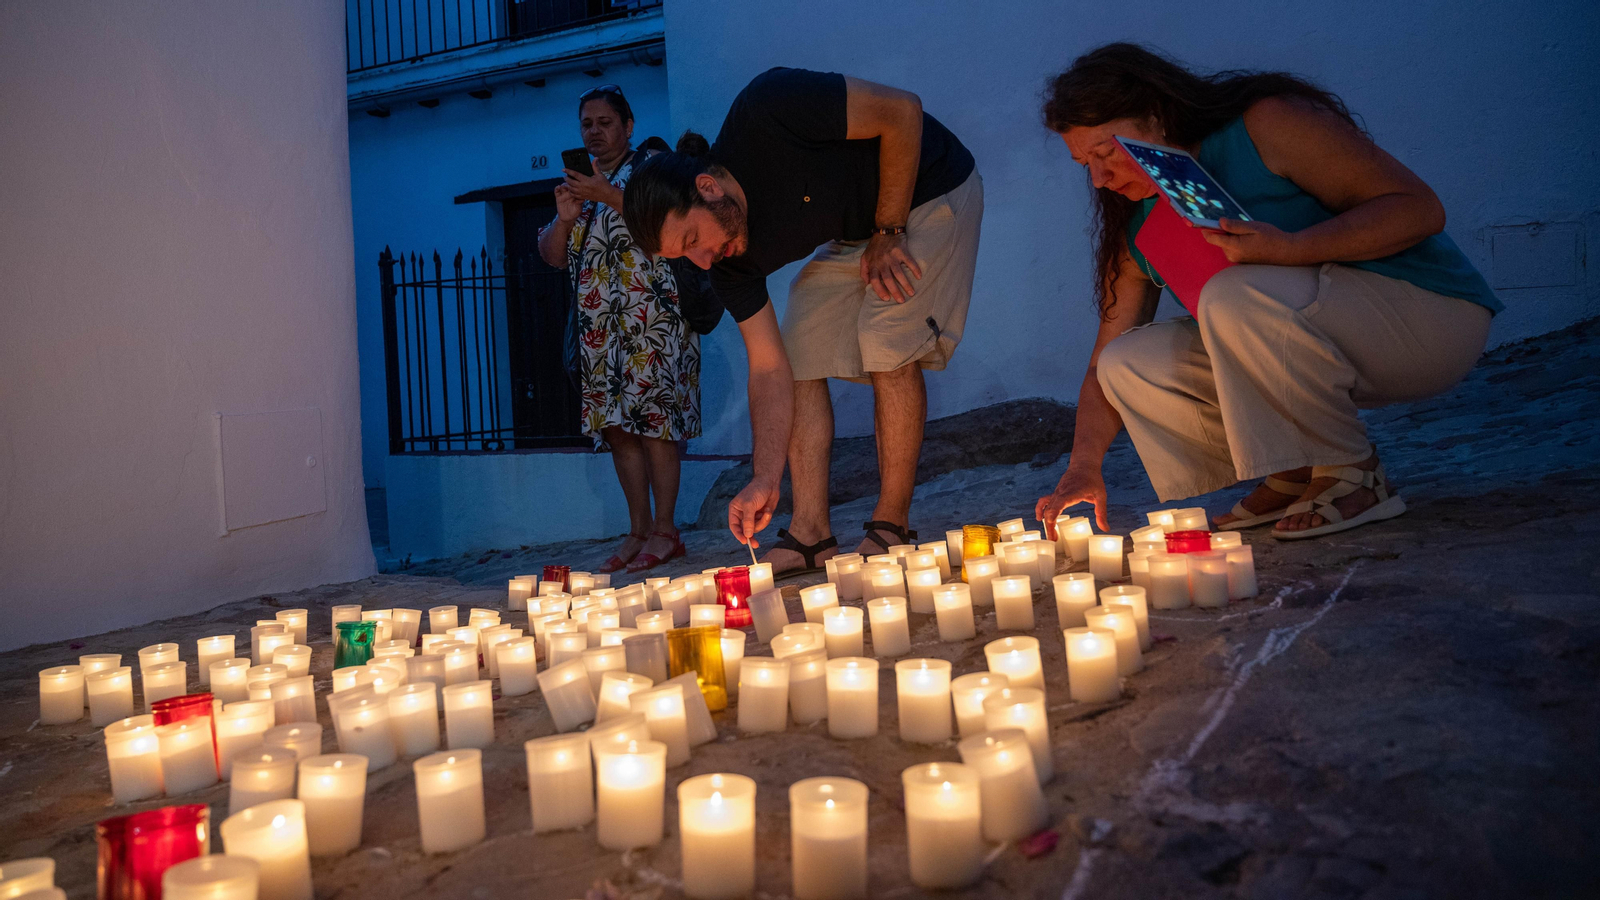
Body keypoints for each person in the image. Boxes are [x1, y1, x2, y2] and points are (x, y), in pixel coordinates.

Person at [1034, 43, 1500, 541]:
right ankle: (1297, 471)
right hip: (1321, 339)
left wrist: (1293, 248)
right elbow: (1098, 364)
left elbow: (1420, 209)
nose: (1101, 179)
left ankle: (1354, 474)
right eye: (1085, 164)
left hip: (1427, 318)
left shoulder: (1265, 125)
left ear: (1156, 114)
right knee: (1129, 360)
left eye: (1107, 153)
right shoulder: (1137, 227)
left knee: (1233, 293)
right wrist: (1083, 465)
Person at [623, 67, 982, 573]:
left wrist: (888, 229)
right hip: (861, 230)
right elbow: (768, 369)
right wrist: (765, 476)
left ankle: (891, 527)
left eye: (692, 241)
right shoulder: (729, 262)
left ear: (706, 187)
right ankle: (811, 533)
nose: (703, 261)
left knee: (884, 336)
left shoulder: (769, 108)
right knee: (798, 351)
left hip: (930, 189)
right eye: (686, 258)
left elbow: (903, 111)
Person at [538, 85, 701, 573]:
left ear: (627, 126)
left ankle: (666, 532)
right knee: (617, 430)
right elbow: (551, 254)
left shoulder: (652, 166)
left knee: (657, 426)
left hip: (653, 321)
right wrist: (566, 220)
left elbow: (668, 223)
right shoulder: (580, 186)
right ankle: (637, 530)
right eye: (587, 123)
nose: (595, 132)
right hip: (599, 327)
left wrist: (604, 194)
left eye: (605, 122)